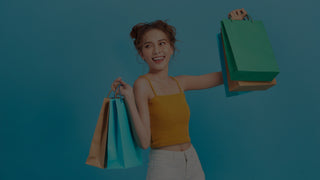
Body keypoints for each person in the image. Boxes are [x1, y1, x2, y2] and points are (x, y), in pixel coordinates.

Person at [111, 8, 248, 180]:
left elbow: (228, 75)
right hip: (164, 165)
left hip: (192, 160)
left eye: (162, 43)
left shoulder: (180, 82)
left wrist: (232, 28)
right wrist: (130, 99)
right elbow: (144, 142)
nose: (156, 51)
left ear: (171, 48)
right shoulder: (143, 85)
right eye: (148, 46)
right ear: (141, 54)